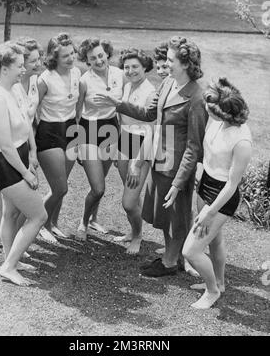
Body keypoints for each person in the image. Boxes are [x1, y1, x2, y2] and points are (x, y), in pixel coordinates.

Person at [94, 36, 208, 276]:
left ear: (186, 64)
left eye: (170, 60)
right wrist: (118, 103)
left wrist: (179, 182)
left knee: (176, 215)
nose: (165, 65)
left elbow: (194, 146)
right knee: (164, 214)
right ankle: (171, 256)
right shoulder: (168, 84)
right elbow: (148, 113)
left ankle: (169, 263)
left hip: (176, 166)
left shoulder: (196, 98)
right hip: (158, 158)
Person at [182, 78, 252, 309]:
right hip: (205, 184)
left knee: (191, 251)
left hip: (222, 197)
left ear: (226, 113)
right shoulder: (217, 122)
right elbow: (209, 155)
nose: (207, 111)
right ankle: (219, 282)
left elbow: (232, 185)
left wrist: (210, 212)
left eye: (212, 110)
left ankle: (212, 291)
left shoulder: (242, 141)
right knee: (215, 240)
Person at [0, 42, 47, 286]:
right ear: (5, 68)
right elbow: (5, 146)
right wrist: (26, 174)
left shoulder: (14, 88)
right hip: (5, 164)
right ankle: (8, 267)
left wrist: (31, 152)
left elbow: (25, 121)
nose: (24, 69)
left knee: (10, 212)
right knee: (39, 215)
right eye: (19, 66)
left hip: (17, 157)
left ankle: (12, 259)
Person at [94, 48, 156, 254]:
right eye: (127, 67)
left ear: (145, 66)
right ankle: (132, 231)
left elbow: (150, 132)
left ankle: (138, 236)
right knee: (133, 196)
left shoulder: (151, 93)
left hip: (141, 148)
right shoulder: (127, 87)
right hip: (124, 144)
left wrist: (137, 164)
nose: (130, 71)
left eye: (135, 66)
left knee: (128, 203)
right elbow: (123, 120)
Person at [76, 38, 124, 240]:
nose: (98, 60)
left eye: (100, 55)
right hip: (89, 131)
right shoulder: (84, 80)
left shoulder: (120, 75)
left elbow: (123, 108)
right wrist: (76, 143)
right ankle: (83, 223)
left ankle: (94, 219)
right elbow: (76, 114)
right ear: (86, 60)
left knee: (101, 182)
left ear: (107, 54)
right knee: (98, 188)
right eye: (92, 58)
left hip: (111, 129)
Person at [35, 33, 81, 244]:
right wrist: (33, 139)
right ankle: (39, 224)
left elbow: (77, 105)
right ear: (54, 58)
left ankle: (53, 223)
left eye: (72, 53)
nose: (71, 58)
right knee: (60, 188)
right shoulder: (44, 79)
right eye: (65, 56)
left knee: (61, 186)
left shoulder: (77, 73)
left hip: (71, 131)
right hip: (49, 133)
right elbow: (32, 110)